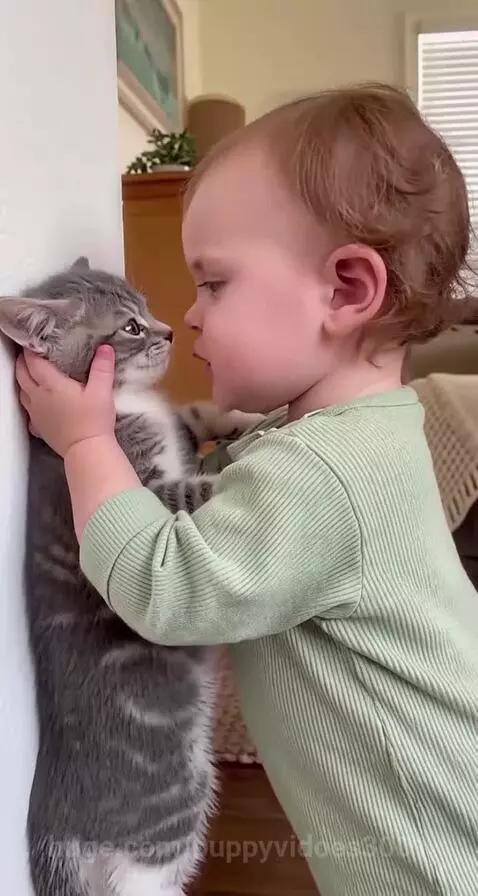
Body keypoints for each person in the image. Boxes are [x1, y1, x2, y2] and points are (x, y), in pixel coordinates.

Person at [16, 84, 478, 895]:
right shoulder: (353, 439)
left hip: (430, 859)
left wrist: (86, 442)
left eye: (214, 284)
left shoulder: (321, 477)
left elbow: (170, 587)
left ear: (347, 290)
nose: (186, 317)